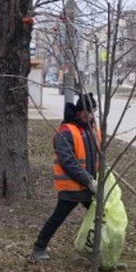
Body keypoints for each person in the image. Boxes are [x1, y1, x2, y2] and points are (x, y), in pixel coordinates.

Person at [31, 94, 100, 262]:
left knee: (101, 218)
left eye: (92, 111)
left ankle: (100, 251)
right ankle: (39, 247)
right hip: (72, 186)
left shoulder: (93, 129)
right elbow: (67, 161)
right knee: (58, 218)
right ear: (78, 111)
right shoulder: (67, 131)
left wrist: (99, 176)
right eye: (86, 111)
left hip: (89, 185)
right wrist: (88, 180)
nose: (89, 115)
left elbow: (99, 155)